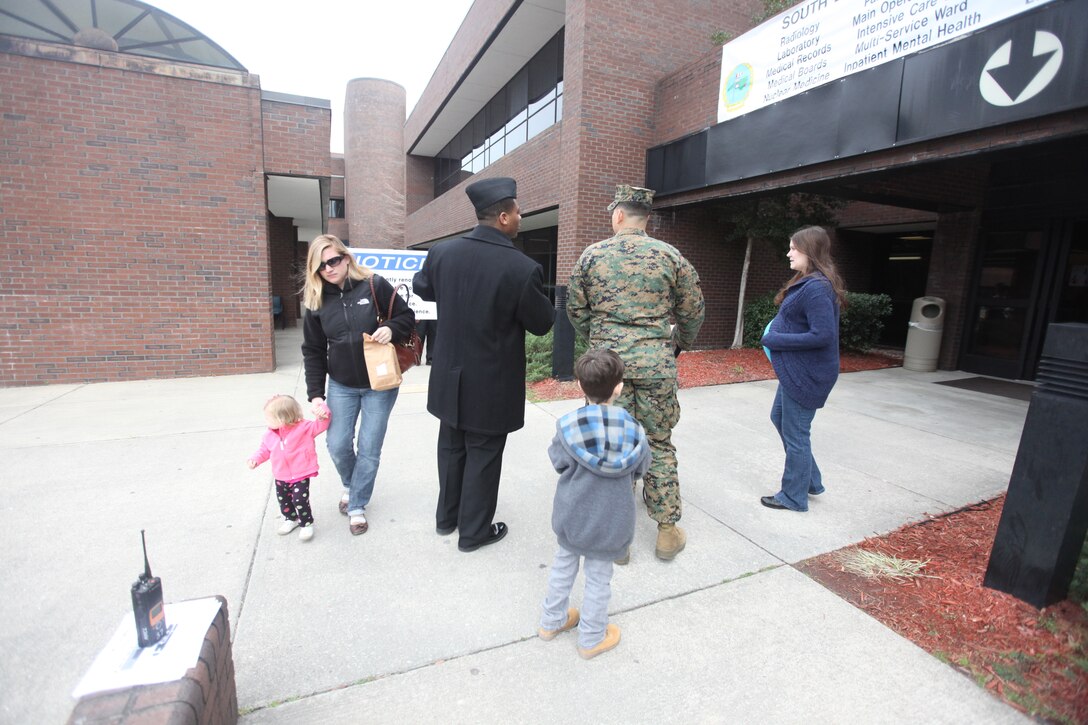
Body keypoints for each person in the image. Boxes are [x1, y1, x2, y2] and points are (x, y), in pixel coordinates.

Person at [412, 177, 555, 552]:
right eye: (519, 212)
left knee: (451, 446)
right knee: (484, 454)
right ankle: (473, 532)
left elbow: (423, 288)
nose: (521, 217)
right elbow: (542, 324)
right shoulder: (521, 268)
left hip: (448, 376)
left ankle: (447, 518)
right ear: (504, 217)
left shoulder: (442, 252)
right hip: (491, 383)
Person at [567, 185, 704, 562]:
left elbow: (575, 310)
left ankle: (618, 540)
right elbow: (693, 310)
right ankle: (666, 532)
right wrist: (678, 345)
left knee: (611, 443)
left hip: (610, 369)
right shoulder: (670, 256)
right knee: (658, 443)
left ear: (618, 215)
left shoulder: (592, 255)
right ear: (647, 218)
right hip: (657, 363)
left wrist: (599, 343)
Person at [301, 234, 415, 536]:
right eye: (321, 265)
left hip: (380, 383)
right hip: (342, 384)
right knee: (337, 444)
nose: (328, 268)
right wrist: (315, 394)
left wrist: (390, 328)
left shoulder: (374, 285)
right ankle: (352, 485)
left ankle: (356, 505)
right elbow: (312, 350)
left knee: (369, 448)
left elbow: (407, 316)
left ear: (346, 257)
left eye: (333, 260)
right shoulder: (316, 301)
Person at [538, 349, 649, 659]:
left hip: (573, 515)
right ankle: (590, 638)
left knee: (563, 566)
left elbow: (558, 462)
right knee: (600, 578)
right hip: (611, 521)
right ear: (619, 387)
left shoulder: (568, 426)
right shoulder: (634, 431)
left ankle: (551, 621)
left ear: (579, 386)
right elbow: (641, 468)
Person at [759, 225, 847, 512]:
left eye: (793, 248)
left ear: (809, 250)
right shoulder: (810, 282)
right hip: (796, 371)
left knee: (796, 433)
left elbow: (822, 335)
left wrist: (775, 339)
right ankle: (809, 480)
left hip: (807, 374)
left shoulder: (817, 288)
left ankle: (793, 496)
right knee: (780, 418)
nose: (788, 253)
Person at [247, 395, 331, 542]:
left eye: (268, 418)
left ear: (282, 419)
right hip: (281, 475)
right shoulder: (269, 435)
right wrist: (255, 459)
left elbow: (321, 424)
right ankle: (290, 519)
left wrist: (322, 412)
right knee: (284, 500)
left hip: (300, 473)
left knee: (300, 500)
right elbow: (264, 450)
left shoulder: (304, 428)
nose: (266, 421)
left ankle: (306, 523)